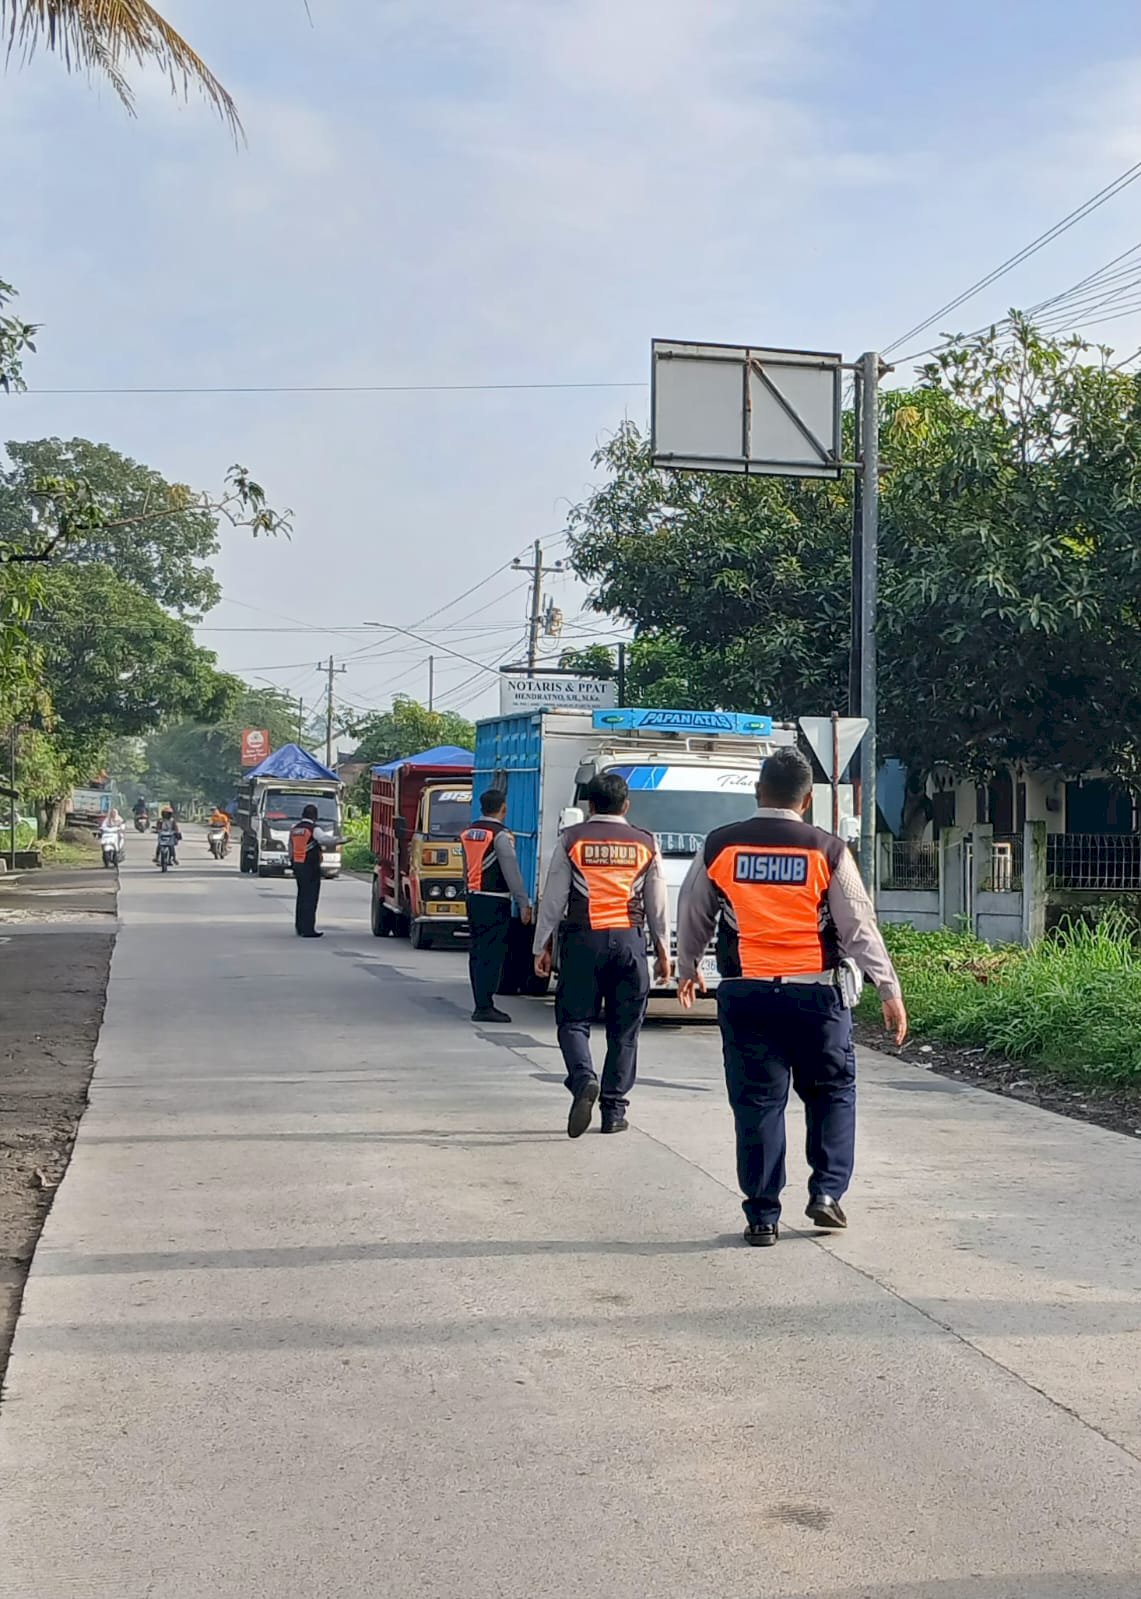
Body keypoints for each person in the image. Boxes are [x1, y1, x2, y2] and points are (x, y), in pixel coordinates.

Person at [676, 746, 907, 1247]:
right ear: (806, 801)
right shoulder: (827, 849)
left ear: (759, 792)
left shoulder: (721, 845)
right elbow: (858, 925)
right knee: (832, 1093)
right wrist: (888, 988)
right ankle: (826, 1192)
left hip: (746, 994)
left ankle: (762, 1216)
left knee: (757, 1104)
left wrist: (687, 967)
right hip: (816, 997)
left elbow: (693, 909)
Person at [533, 771, 670, 1139]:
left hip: (583, 941)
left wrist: (541, 945)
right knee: (624, 1032)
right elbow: (657, 905)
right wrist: (663, 951)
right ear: (626, 805)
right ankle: (613, 1111)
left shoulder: (571, 839)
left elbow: (554, 898)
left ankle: (583, 1080)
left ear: (589, 805)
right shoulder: (646, 842)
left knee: (573, 1021)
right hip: (629, 943)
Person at [460, 789, 532, 1023]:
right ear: (503, 808)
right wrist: (523, 902)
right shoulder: (500, 836)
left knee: (477, 952)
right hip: (495, 900)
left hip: (473, 897)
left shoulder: (469, 833)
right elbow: (511, 872)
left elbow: (466, 868)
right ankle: (485, 1006)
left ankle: (479, 1001)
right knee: (492, 954)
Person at [289, 803, 341, 938]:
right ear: (315, 816)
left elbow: (291, 848)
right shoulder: (314, 829)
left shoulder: (295, 829)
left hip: (298, 865)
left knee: (301, 897)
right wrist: (339, 841)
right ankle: (308, 929)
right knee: (310, 898)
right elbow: (324, 840)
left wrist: (292, 863)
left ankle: (300, 927)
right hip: (310, 866)